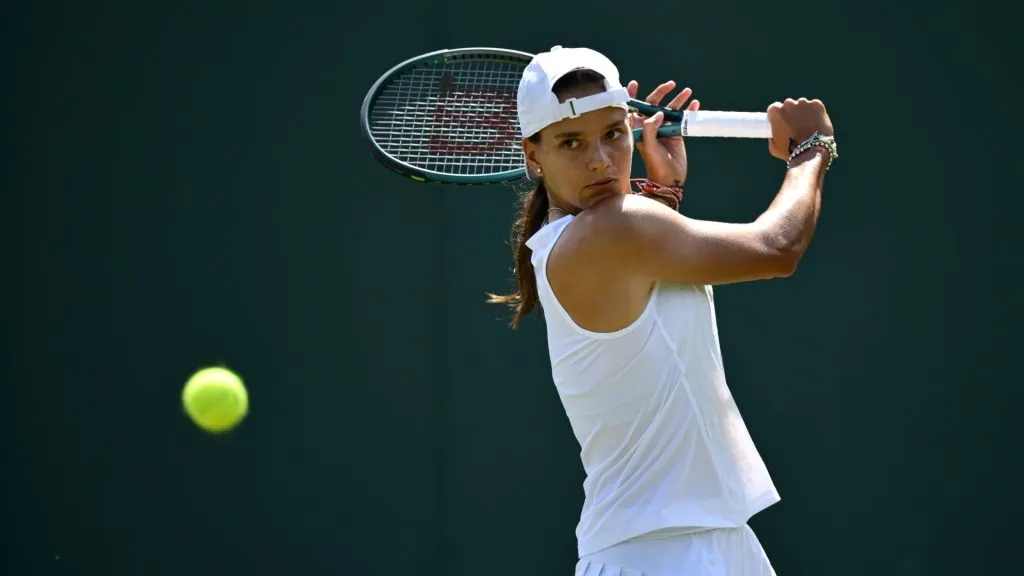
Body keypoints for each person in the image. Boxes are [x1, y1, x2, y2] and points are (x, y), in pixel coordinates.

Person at [487, 45, 837, 575]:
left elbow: (651, 296)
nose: (600, 160)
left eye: (612, 134)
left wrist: (666, 192)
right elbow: (776, 250)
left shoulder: (606, 234)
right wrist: (812, 147)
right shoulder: (613, 228)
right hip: (656, 555)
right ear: (533, 156)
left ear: (632, 128)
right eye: (570, 143)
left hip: (708, 544)